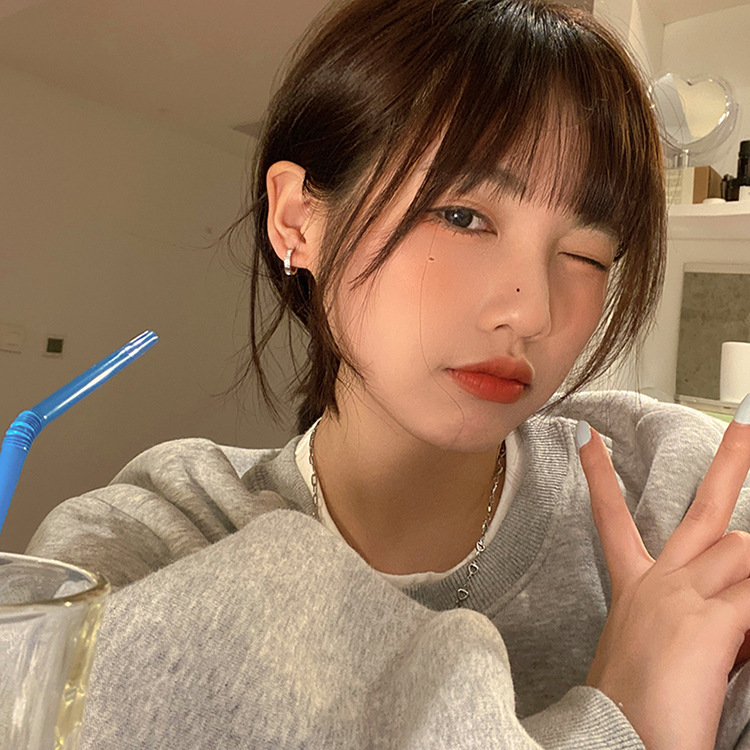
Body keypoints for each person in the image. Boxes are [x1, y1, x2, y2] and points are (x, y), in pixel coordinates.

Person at [27, 0, 750, 748]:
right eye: (463, 216)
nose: (532, 310)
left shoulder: (676, 500)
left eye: (586, 255)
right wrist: (623, 726)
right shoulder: (151, 549)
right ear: (298, 220)